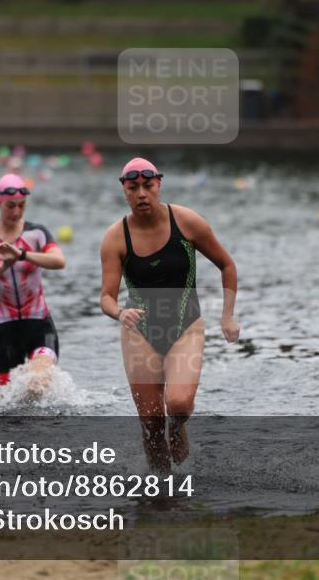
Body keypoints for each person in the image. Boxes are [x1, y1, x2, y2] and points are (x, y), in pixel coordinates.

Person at [99, 157, 239, 471]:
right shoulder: (115, 237)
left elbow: (227, 265)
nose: (142, 194)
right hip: (140, 331)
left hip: (185, 325)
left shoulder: (187, 222)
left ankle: (178, 427)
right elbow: (106, 296)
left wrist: (227, 316)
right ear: (124, 191)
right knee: (150, 423)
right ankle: (161, 495)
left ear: (159, 185)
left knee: (177, 404)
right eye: (133, 188)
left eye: (148, 186)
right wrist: (119, 312)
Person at [0, 174, 66, 386]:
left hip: (40, 325)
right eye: (10, 206)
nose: (16, 212)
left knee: (38, 383)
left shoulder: (36, 233)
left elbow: (59, 261)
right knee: (11, 408)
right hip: (5, 332)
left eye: (22, 206)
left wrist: (22, 255)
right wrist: (3, 267)